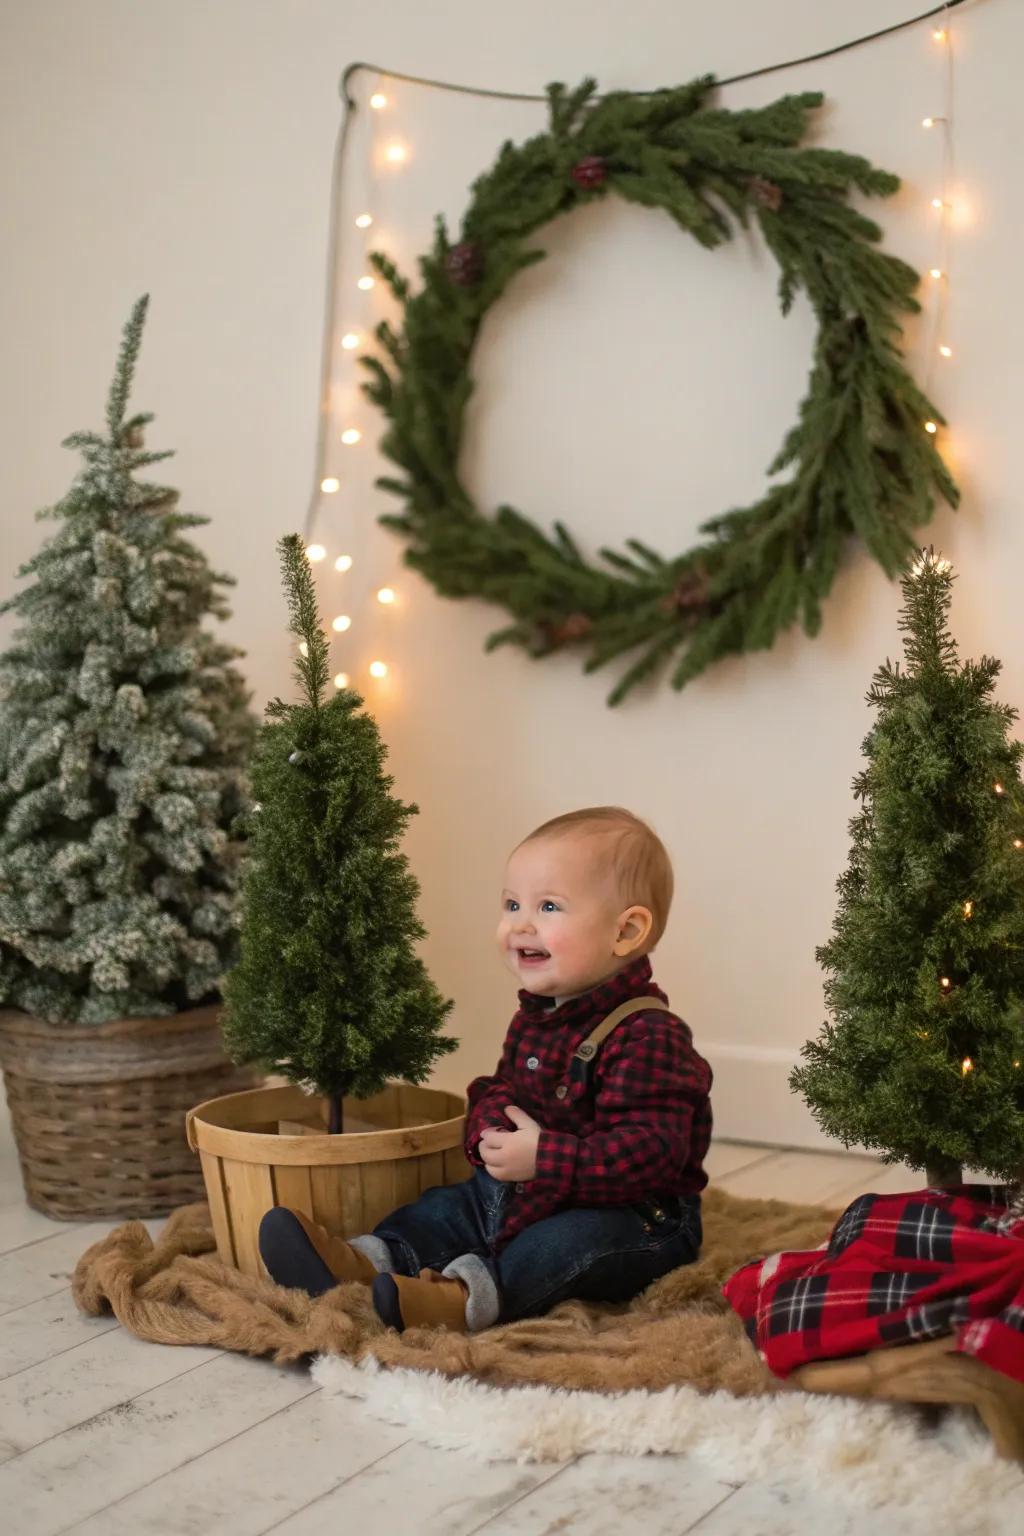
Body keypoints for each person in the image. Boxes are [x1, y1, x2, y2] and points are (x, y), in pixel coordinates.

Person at [258, 805, 713, 1333]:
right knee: (453, 1207)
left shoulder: (649, 1036)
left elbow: (652, 1154)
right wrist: (491, 1128)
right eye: (512, 904)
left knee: (564, 1245)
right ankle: (368, 1260)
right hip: (533, 1187)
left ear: (626, 931)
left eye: (548, 906)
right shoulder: (538, 1017)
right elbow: (502, 1087)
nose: (520, 924)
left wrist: (546, 1158)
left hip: (636, 1215)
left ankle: (463, 1299)